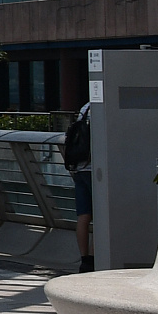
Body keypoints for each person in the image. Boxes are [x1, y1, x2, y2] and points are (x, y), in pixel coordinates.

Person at [64, 99, 95, 272]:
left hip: (79, 168)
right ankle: (94, 256)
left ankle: (84, 259)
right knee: (100, 216)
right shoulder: (102, 105)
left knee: (84, 215)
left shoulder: (85, 107)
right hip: (95, 169)